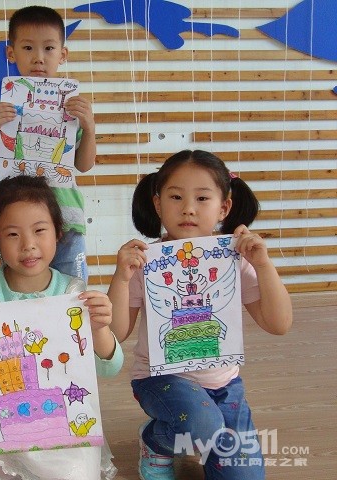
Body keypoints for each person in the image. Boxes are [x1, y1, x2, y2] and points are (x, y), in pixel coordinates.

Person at [107, 150, 293, 480]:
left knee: (244, 474)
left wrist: (264, 265)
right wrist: (121, 279)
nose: (188, 208)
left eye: (202, 198)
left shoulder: (236, 259)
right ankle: (156, 441)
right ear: (158, 204)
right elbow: (116, 333)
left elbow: (279, 324)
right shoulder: (144, 262)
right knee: (201, 424)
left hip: (225, 386)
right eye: (176, 197)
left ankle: (200, 436)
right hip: (160, 379)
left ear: (224, 207)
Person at [0, 175, 123, 480]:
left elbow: (109, 368)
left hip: (57, 409)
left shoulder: (73, 294)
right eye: (13, 234)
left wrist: (100, 329)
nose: (28, 245)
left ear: (58, 233)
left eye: (40, 230)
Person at [0, 6, 96, 283]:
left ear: (62, 54)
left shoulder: (73, 107)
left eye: (49, 48)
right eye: (28, 48)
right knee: (22, 291)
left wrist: (89, 127)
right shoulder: (3, 107)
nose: (38, 58)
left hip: (67, 219)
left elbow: (84, 165)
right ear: (11, 53)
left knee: (74, 295)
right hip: (18, 223)